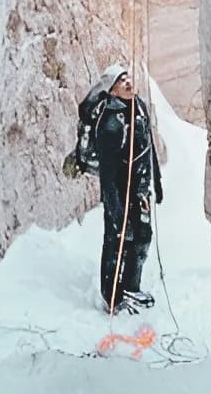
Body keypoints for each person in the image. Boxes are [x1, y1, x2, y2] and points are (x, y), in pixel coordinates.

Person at [72, 61, 164, 312]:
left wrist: (155, 183)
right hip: (121, 191)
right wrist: (115, 208)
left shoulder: (139, 107)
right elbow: (109, 174)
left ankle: (131, 288)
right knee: (118, 240)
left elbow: (148, 148)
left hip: (139, 189)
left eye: (127, 78)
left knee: (142, 236)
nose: (128, 82)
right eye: (121, 81)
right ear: (112, 91)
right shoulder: (111, 123)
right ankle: (111, 295)